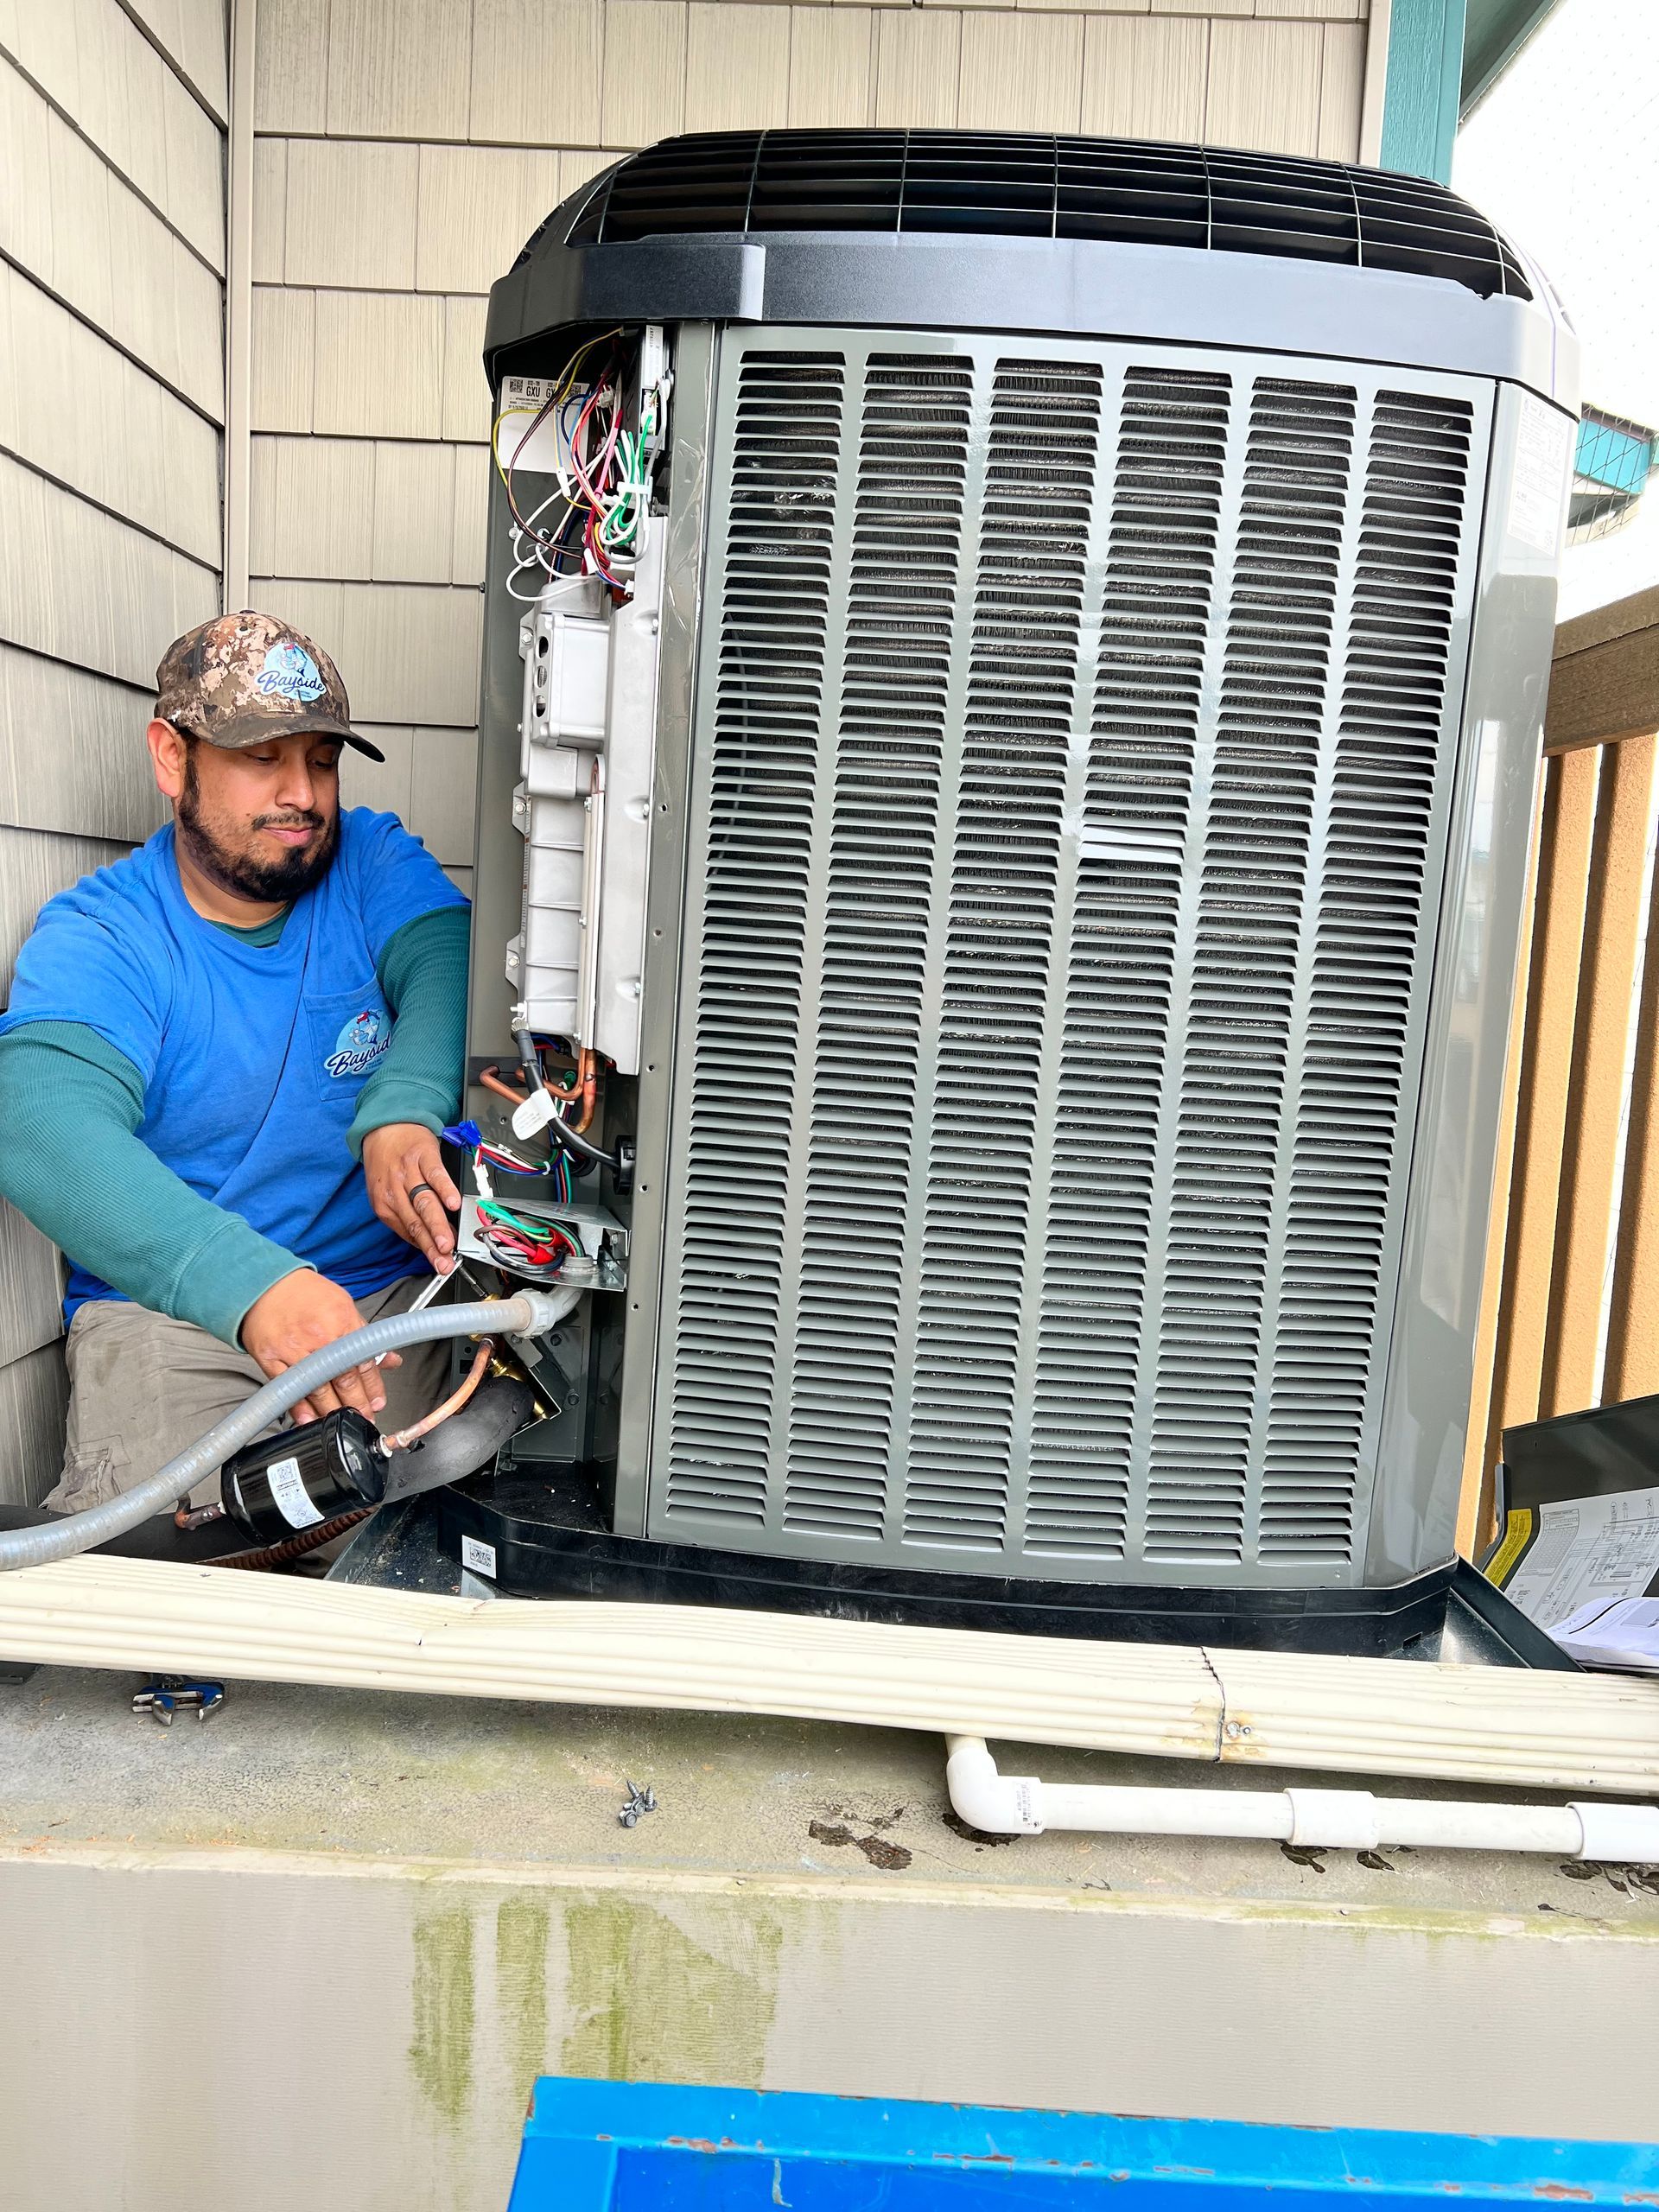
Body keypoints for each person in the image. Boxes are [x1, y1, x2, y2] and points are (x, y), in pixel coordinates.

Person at [0, 611, 472, 1512]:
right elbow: (35, 1120)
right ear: (172, 758)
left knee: (413, 1549)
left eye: (321, 760)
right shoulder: (106, 935)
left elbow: (449, 961)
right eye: (264, 757)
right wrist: (250, 1284)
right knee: (177, 1573)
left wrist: (403, 1105)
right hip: (171, 1318)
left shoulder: (369, 860)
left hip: (381, 1307)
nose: (303, 793)